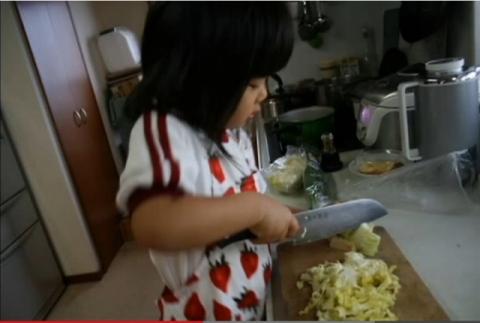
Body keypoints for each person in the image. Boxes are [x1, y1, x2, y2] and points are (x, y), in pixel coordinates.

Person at [116, 2, 299, 320]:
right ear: (202, 77)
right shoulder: (165, 131)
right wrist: (255, 208)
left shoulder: (228, 131)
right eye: (253, 85)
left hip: (251, 303)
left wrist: (275, 213)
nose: (264, 94)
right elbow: (153, 224)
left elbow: (232, 208)